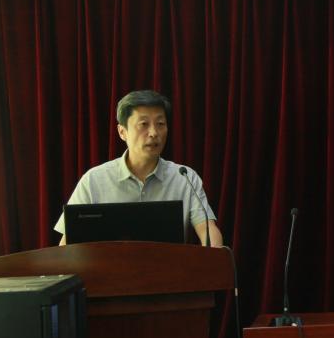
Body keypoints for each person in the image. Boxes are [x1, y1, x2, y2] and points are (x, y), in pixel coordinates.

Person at [53, 89, 224, 247]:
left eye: (160, 124)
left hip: (169, 269)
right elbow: (68, 242)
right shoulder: (94, 180)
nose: (154, 133)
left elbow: (207, 229)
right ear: (122, 132)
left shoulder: (184, 177)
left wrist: (214, 259)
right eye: (144, 124)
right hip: (109, 270)